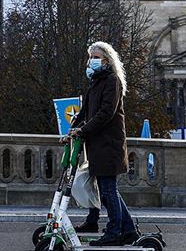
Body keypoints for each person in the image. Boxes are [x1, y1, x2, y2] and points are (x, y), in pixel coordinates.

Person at [65, 41, 138, 246]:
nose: (91, 61)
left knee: (108, 190)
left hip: (109, 144)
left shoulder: (112, 81)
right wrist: (72, 128)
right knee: (102, 189)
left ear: (106, 60)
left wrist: (83, 129)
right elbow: (84, 112)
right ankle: (126, 228)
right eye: (90, 57)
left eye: (95, 57)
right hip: (97, 144)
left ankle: (115, 231)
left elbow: (106, 113)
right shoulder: (96, 82)